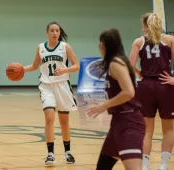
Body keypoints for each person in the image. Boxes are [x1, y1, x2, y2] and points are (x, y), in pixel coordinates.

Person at [87, 28, 145, 170]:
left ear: (102, 45)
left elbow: (129, 92)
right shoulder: (116, 62)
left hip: (129, 123)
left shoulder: (115, 63)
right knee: (103, 167)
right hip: (118, 122)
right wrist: (105, 104)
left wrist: (104, 105)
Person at [23, 21, 79, 165]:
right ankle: (50, 154)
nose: (55, 33)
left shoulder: (65, 47)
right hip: (46, 85)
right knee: (49, 118)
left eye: (57, 31)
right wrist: (22, 69)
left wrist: (65, 70)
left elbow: (76, 65)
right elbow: (35, 66)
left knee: (64, 122)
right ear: (47, 33)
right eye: (52, 30)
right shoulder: (40, 48)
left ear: (59, 33)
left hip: (62, 86)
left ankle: (67, 152)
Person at [129, 13, 174, 170]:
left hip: (146, 86)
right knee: (168, 129)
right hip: (165, 86)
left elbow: (130, 65)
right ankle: (163, 165)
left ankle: (145, 166)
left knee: (147, 130)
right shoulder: (169, 40)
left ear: (144, 25)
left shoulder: (139, 42)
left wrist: (139, 73)